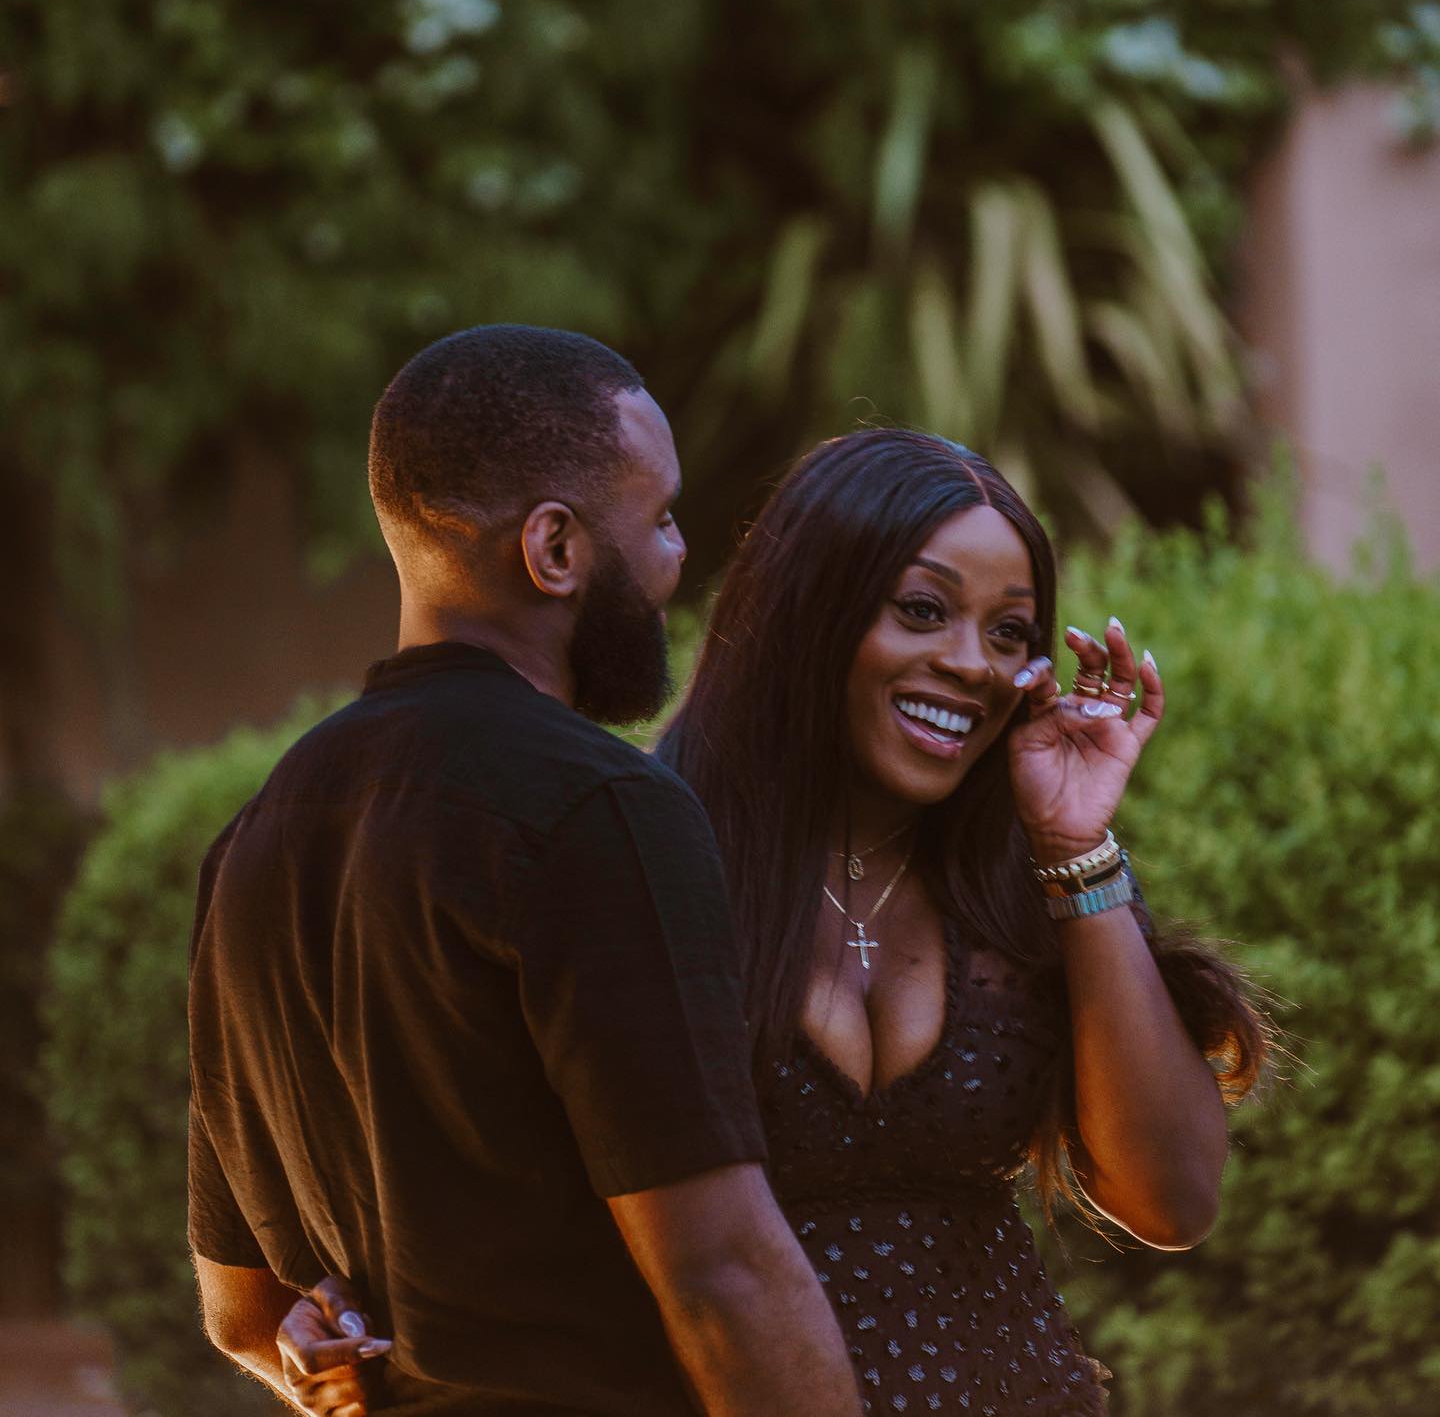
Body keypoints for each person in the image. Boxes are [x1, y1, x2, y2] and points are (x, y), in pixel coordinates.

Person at [280, 426, 1273, 1414]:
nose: (972, 663)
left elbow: (1172, 1200)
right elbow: (479, 1170)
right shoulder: (636, 852)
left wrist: (1073, 846)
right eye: (922, 611)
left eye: (1010, 633)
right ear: (811, 609)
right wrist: (341, 1308)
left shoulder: (1026, 876)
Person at [187, 325, 863, 1416]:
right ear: (554, 549)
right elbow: (722, 1276)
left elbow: (244, 1314)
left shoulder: (255, 841)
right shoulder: (601, 809)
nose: (678, 558)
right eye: (660, 518)